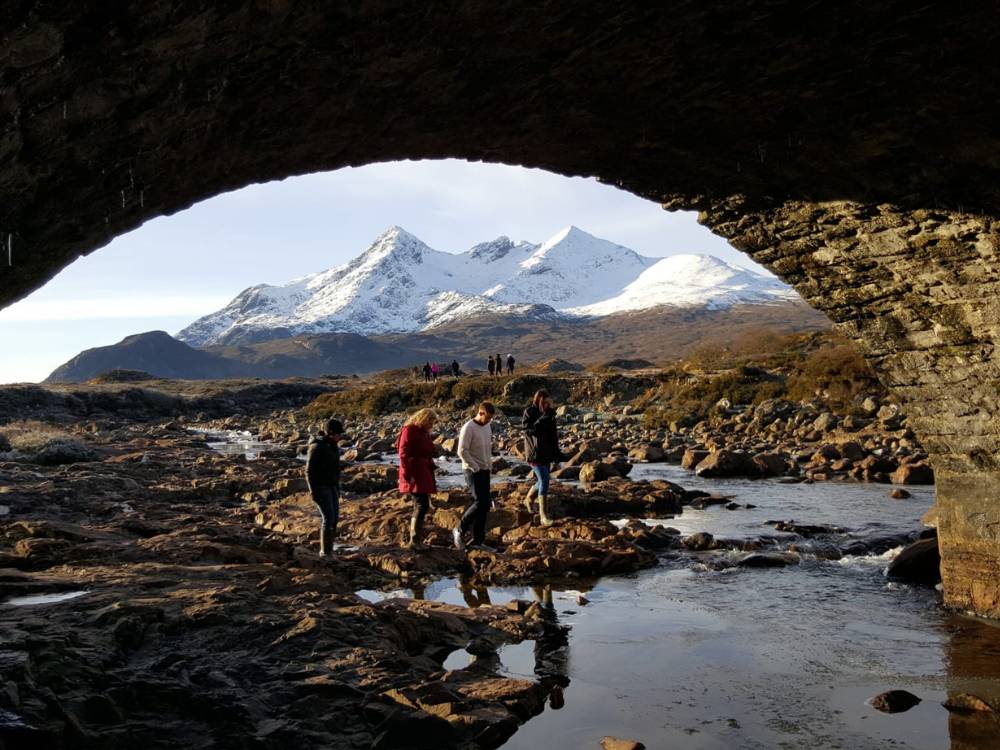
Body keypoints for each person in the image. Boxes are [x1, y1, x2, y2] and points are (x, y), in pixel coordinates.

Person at [454, 401, 496, 551]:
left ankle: (478, 541)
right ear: (481, 413)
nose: (489, 421)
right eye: (488, 417)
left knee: (485, 506)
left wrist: (489, 465)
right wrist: (475, 466)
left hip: (485, 469)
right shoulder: (468, 428)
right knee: (481, 502)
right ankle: (459, 529)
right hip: (472, 470)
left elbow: (487, 447)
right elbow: (462, 451)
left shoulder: (487, 426)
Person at [397, 407, 439, 549]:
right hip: (415, 471)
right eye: (431, 421)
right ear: (424, 419)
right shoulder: (409, 430)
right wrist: (406, 474)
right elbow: (403, 453)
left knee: (420, 503)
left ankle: (416, 540)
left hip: (422, 469)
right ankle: (414, 541)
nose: (432, 425)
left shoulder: (422, 432)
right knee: (421, 503)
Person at [522, 389, 563, 526]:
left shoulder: (550, 414)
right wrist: (543, 418)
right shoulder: (529, 412)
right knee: (545, 479)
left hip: (546, 453)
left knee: (542, 480)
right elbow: (531, 431)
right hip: (534, 453)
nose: (548, 405)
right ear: (539, 400)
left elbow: (553, 435)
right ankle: (543, 516)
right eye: (545, 402)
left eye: (549, 402)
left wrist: (557, 454)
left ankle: (528, 499)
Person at [305, 417, 345, 556]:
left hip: (332, 486)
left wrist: (337, 488)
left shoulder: (332, 446)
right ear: (331, 433)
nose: (340, 437)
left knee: (334, 519)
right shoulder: (317, 447)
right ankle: (325, 552)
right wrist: (313, 491)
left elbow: (334, 468)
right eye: (339, 434)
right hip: (321, 487)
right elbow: (309, 471)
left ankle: (330, 549)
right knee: (328, 518)